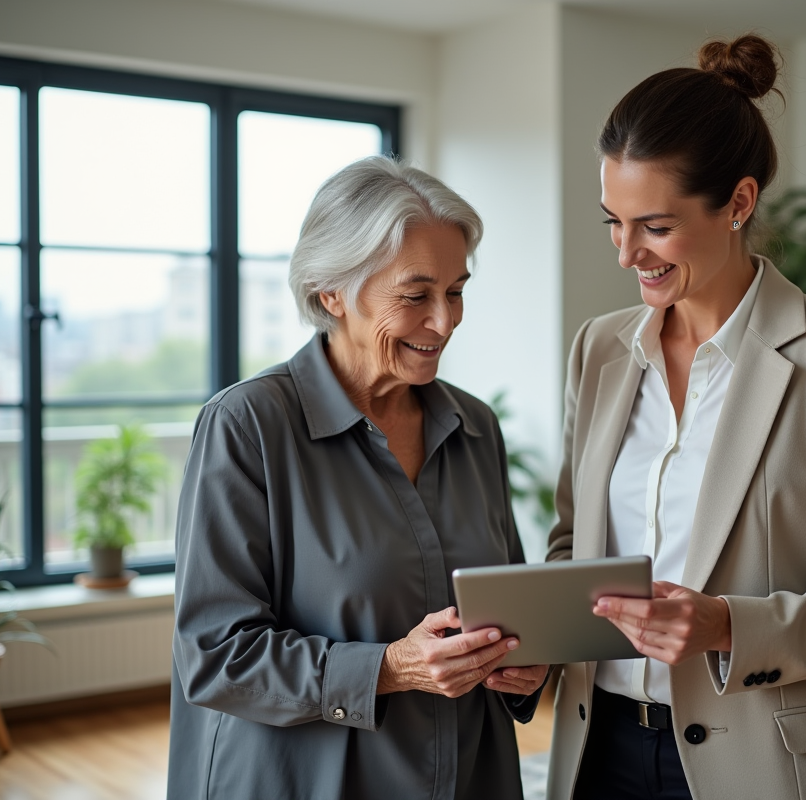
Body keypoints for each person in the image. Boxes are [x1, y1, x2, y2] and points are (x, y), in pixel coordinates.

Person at [544, 34, 806, 800]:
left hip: (773, 764)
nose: (627, 254)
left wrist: (728, 626)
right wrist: (536, 641)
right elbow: (572, 547)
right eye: (612, 222)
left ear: (739, 202)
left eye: (655, 226)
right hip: (599, 749)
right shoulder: (599, 349)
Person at [167, 156, 548, 800]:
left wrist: (524, 665)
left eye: (456, 291)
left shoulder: (476, 427)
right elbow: (214, 655)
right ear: (331, 293)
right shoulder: (248, 424)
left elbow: (504, 607)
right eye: (415, 295)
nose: (445, 320)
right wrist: (389, 668)